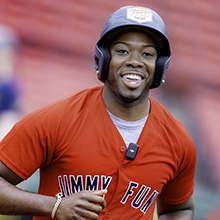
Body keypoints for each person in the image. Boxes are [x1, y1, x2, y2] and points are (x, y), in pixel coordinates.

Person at [0, 5, 196, 220]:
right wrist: (53, 206)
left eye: (148, 54)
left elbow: (179, 208)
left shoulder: (178, 141)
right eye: (122, 51)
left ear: (159, 66)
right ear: (103, 58)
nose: (134, 61)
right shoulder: (56, 120)